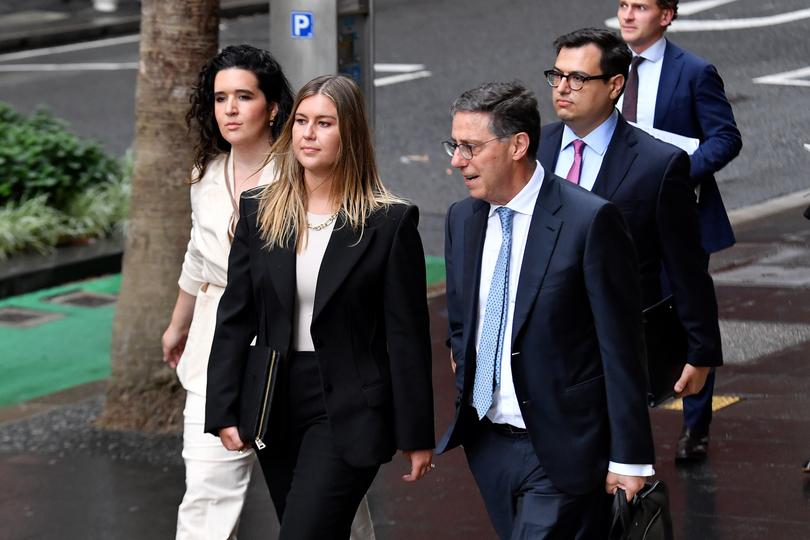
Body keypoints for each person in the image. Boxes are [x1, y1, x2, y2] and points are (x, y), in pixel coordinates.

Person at [204, 74, 435, 540]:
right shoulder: (260, 208)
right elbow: (235, 316)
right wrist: (223, 407)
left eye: (324, 123)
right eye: (302, 121)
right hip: (275, 399)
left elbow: (405, 336)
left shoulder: (389, 222)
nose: (308, 134)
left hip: (348, 405)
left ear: (349, 134)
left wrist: (416, 434)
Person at [161, 46, 375, 539]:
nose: (230, 110)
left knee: (328, 506)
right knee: (206, 499)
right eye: (219, 99)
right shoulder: (206, 175)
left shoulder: (305, 174)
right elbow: (197, 256)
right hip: (215, 348)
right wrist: (179, 324)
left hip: (296, 353)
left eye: (243, 96)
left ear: (272, 107)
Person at [436, 81, 655, 539]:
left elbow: (622, 347)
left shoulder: (589, 221)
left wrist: (630, 457)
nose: (457, 160)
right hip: (488, 441)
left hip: (562, 447)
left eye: (471, 147)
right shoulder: (462, 218)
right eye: (454, 145)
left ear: (518, 145)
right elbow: (462, 320)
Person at [537, 27, 722, 447]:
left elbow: (686, 267)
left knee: (609, 477)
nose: (563, 88)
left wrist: (700, 351)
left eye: (578, 78)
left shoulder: (657, 164)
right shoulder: (533, 150)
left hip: (612, 352)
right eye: (557, 75)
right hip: (540, 347)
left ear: (615, 85)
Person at [617, 0, 742, 462]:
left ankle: (695, 427)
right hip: (616, 216)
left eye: (641, 7)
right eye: (623, 5)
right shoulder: (605, 69)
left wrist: (678, 171)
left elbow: (726, 138)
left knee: (686, 314)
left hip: (675, 218)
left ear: (666, 16)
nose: (627, 15)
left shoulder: (693, 71)